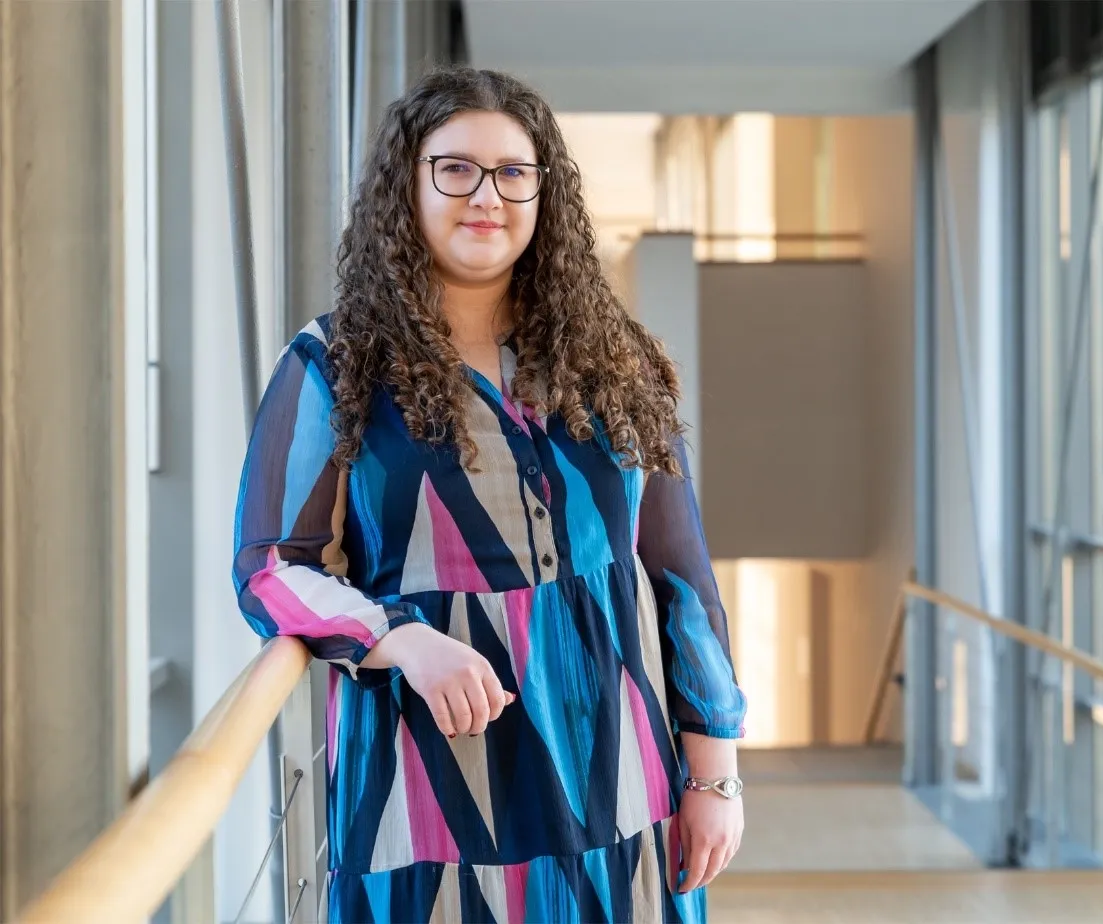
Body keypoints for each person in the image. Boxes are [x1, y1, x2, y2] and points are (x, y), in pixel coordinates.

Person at [232, 66, 747, 923]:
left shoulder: (609, 356)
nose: (488, 196)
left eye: (514, 173)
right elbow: (267, 570)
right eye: (456, 168)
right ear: (409, 183)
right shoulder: (334, 363)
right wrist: (400, 640)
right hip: (426, 792)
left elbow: (681, 573)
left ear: (545, 193)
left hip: (617, 780)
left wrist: (715, 770)